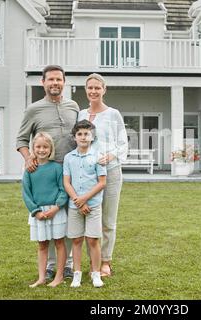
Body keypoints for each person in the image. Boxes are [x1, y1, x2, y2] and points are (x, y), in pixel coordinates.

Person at [16, 65, 79, 280]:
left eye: (59, 79)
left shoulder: (73, 106)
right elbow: (22, 140)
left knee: (68, 217)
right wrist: (28, 159)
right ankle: (51, 266)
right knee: (48, 215)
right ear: (43, 82)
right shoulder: (33, 109)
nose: (55, 83)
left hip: (71, 173)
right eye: (50, 79)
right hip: (47, 172)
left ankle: (68, 264)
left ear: (64, 82)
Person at [78, 73, 128, 277]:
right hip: (87, 174)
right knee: (89, 218)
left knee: (108, 220)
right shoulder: (80, 114)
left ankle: (105, 262)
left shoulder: (113, 114)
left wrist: (111, 155)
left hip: (111, 172)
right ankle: (91, 262)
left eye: (97, 88)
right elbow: (78, 141)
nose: (93, 91)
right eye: (90, 88)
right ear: (86, 90)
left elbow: (123, 142)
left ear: (104, 90)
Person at [63, 120, 107, 288]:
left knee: (93, 240)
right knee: (76, 240)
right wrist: (78, 201)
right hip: (75, 206)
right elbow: (67, 182)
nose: (83, 137)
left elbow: (102, 182)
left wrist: (85, 199)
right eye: (79, 134)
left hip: (93, 205)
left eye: (86, 134)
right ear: (74, 137)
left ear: (92, 136)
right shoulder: (69, 158)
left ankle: (96, 274)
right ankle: (77, 274)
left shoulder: (98, 157)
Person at [22, 132, 68, 288]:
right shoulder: (29, 169)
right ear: (33, 148)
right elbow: (26, 193)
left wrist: (56, 207)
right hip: (38, 213)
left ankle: (59, 276)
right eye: (38, 147)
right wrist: (36, 211)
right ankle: (41, 277)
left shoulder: (56, 168)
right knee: (42, 245)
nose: (42, 150)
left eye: (45, 147)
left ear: (50, 149)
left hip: (56, 210)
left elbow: (63, 190)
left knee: (59, 243)